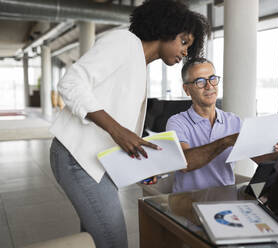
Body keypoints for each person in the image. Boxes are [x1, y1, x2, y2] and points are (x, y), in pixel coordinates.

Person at [49, 0, 210, 247]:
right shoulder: (123, 42)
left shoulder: (139, 63)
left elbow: (121, 131)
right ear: (166, 30)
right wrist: (118, 131)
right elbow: (71, 83)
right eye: (184, 41)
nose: (185, 51)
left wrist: (140, 169)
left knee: (95, 238)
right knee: (113, 241)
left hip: (97, 163)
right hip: (77, 159)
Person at [165, 58, 278, 193]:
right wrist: (227, 141)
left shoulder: (234, 121)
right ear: (187, 89)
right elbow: (185, 163)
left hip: (225, 200)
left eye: (212, 79)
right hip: (188, 203)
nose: (209, 86)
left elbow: (261, 159)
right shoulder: (177, 122)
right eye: (200, 82)